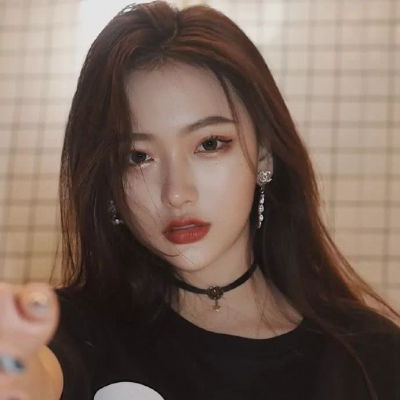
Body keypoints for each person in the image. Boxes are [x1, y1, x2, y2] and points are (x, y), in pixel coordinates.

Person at [0, 1, 399, 399]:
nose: (176, 193)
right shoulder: (75, 333)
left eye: (209, 144)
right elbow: (35, 373)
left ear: (264, 153)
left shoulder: (374, 360)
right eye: (137, 157)